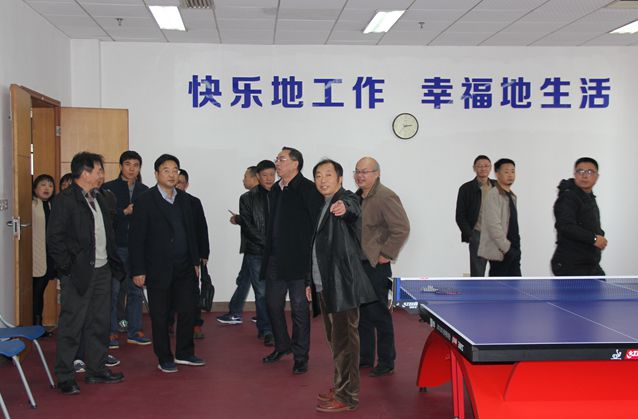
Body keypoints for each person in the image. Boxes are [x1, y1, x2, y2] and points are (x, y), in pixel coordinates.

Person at [47, 152, 125, 395]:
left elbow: (107, 232)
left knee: (99, 323)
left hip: (102, 270)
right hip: (78, 273)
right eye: (99, 170)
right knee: (72, 324)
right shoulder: (65, 200)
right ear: (84, 173)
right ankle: (65, 376)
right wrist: (68, 268)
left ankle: (96, 369)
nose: (102, 175)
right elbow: (55, 239)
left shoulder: (100, 197)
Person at [310, 159, 377, 413]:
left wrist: (344, 207)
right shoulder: (323, 204)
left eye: (328, 174)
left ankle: (347, 396)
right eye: (318, 175)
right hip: (326, 286)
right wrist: (311, 282)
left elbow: (353, 207)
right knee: (336, 343)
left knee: (346, 344)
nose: (322, 179)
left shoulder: (345, 199)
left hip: (342, 287)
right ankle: (341, 386)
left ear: (340, 179)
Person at [129, 154, 205, 373]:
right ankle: (164, 357)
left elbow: (191, 234)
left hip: (185, 266)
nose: (172, 175)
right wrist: (138, 270)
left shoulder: (186, 200)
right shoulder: (145, 200)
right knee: (160, 316)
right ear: (156, 174)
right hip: (157, 268)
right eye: (166, 170)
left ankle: (184, 353)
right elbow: (136, 239)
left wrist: (196, 261)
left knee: (188, 311)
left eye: (175, 170)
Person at [262, 147, 323, 375]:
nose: (277, 163)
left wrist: (312, 265)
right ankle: (282, 345)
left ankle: (300, 356)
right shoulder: (275, 190)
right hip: (275, 259)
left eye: (281, 159)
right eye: (277, 159)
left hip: (299, 261)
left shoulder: (308, 189)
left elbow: (316, 227)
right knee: (272, 304)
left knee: (299, 310)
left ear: (295, 163)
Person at [354, 157, 410, 377]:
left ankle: (386, 361)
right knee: (363, 314)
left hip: (375, 265)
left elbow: (402, 228)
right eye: (357, 171)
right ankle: (365, 357)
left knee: (379, 314)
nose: (360, 175)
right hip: (359, 264)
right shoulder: (357, 197)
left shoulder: (385, 196)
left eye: (365, 171)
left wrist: (386, 254)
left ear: (377, 173)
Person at [218, 161, 276, 347]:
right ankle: (266, 330)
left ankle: (273, 327)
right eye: (265, 175)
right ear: (258, 176)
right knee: (261, 292)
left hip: (278, 253)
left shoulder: (282, 194)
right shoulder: (247, 198)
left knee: (275, 292)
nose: (269, 178)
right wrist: (268, 244)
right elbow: (248, 227)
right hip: (256, 252)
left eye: (272, 174)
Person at [103, 150, 151, 348]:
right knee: (113, 292)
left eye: (136, 165)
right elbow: (104, 217)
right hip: (116, 247)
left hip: (138, 248)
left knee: (136, 290)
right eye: (128, 164)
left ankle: (135, 331)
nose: (132, 169)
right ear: (121, 166)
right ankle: (111, 332)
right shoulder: (108, 188)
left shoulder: (145, 190)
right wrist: (124, 212)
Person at [216, 166, 259, 326]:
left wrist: (238, 219)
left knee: (253, 281)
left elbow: (252, 222)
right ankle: (255, 313)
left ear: (254, 178)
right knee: (246, 279)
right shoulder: (263, 196)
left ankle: (237, 312)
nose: (243, 179)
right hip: (256, 247)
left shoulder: (249, 197)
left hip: (254, 247)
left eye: (245, 176)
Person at [551, 157, 607, 276]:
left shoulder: (589, 197)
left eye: (589, 172)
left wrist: (600, 235)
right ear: (575, 174)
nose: (584, 175)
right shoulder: (568, 197)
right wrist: (594, 239)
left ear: (596, 177)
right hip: (570, 266)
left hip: (590, 264)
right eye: (580, 171)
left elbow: (588, 224)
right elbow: (565, 226)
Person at [175, 168, 210, 339]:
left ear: (187, 185)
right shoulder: (162, 202)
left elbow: (202, 229)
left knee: (192, 292)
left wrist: (204, 254)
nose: (178, 185)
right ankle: (169, 323)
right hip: (169, 256)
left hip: (191, 256)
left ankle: (196, 324)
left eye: (181, 182)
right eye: (176, 182)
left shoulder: (194, 202)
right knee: (169, 292)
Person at [478, 158, 521, 277]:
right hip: (501, 252)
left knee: (516, 285)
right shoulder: (493, 195)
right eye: (506, 172)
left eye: (513, 171)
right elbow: (493, 226)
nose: (510, 175)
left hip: (513, 249)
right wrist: (507, 248)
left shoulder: (512, 196)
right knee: (499, 286)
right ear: (497, 174)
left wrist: (515, 249)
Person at [455, 155, 496, 277]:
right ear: (474, 168)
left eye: (486, 166)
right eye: (479, 166)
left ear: (490, 168)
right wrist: (471, 235)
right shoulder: (466, 188)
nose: (483, 168)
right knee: (478, 274)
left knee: (500, 273)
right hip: (478, 235)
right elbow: (460, 215)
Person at [32, 175, 56, 331]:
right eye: (43, 185)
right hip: (34, 253)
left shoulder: (53, 205)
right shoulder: (31, 204)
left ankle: (37, 325)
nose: (47, 188)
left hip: (49, 255)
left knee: (40, 290)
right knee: (35, 291)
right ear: (35, 188)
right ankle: (35, 325)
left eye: (50, 185)